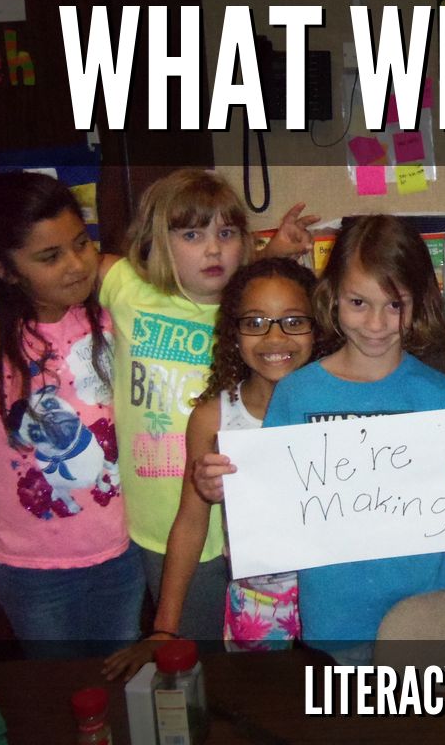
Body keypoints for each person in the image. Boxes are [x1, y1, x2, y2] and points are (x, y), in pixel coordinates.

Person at [98, 168, 316, 641]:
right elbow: (62, 267)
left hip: (256, 528)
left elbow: (269, 302)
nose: (213, 249)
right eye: (192, 235)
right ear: (157, 240)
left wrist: (273, 254)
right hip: (165, 524)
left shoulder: (245, 314)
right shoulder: (126, 287)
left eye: (227, 234)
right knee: (196, 651)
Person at [252, 215, 445, 659]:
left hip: (430, 615)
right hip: (337, 620)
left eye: (395, 304)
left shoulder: (442, 397)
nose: (376, 323)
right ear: (333, 296)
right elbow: (270, 501)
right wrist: (228, 484)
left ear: (419, 303)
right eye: (358, 302)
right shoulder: (297, 394)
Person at [0, 172, 143, 655]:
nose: (77, 264)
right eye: (50, 256)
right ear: (5, 270)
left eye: (81, 243)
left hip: (121, 551)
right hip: (30, 569)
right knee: (56, 687)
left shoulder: (110, 310)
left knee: (119, 679)